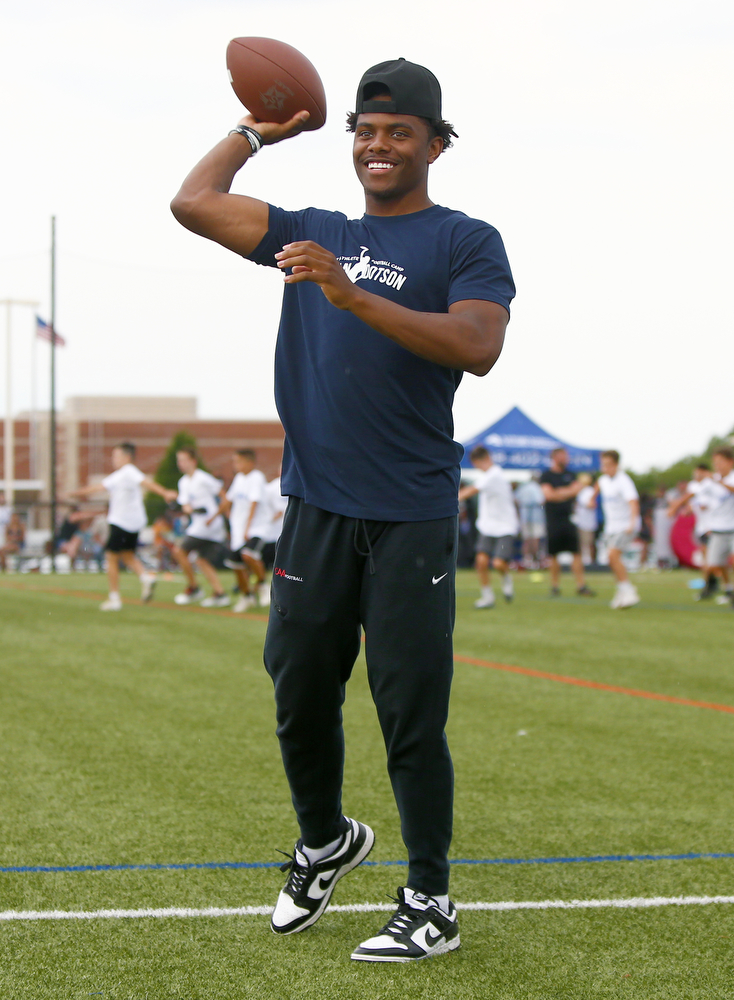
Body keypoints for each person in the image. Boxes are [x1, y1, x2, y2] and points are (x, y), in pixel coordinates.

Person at [171, 56, 514, 961]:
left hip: (409, 512)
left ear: (436, 144)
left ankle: (430, 899)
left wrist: (347, 292)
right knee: (296, 690)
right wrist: (258, 132)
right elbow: (194, 203)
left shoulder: (466, 241)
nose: (377, 145)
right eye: (365, 131)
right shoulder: (309, 228)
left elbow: (476, 347)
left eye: (399, 131)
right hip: (316, 507)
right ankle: (325, 840)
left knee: (409, 710)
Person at [70, 442, 174, 610]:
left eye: (116, 456)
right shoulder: (119, 475)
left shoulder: (129, 472)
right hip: (132, 523)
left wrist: (164, 493)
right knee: (127, 555)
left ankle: (114, 598)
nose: (113, 459)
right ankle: (146, 578)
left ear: (127, 457)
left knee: (111, 557)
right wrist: (77, 493)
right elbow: (99, 487)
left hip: (122, 522)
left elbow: (146, 483)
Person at [670, 449, 734, 607]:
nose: (717, 465)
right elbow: (693, 493)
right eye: (715, 462)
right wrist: (676, 506)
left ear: (730, 462)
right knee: (714, 563)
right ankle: (728, 589)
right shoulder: (710, 480)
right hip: (717, 530)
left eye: (720, 462)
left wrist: (718, 481)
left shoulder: (725, 479)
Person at [458, 446, 518, 608]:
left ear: (479, 461)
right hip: (487, 527)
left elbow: (471, 490)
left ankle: (506, 579)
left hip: (505, 527)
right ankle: (487, 597)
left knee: (498, 563)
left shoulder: (494, 474)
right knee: (481, 562)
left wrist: (451, 499)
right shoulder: (488, 476)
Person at [171, 448, 230, 607]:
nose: (181, 464)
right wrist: (187, 508)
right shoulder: (183, 482)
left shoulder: (204, 478)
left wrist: (214, 516)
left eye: (184, 460)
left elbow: (224, 498)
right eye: (179, 460)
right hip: (198, 526)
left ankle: (194, 588)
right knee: (202, 561)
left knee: (179, 551)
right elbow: (185, 504)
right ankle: (220, 593)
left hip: (208, 527)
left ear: (193, 461)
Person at [218, 449, 271, 612]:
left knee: (248, 554)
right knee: (235, 563)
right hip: (239, 530)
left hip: (257, 528)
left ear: (250, 462)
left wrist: (247, 528)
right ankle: (247, 595)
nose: (235, 465)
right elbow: (229, 499)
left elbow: (254, 504)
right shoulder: (239, 479)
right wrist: (214, 516)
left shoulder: (257, 478)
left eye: (238, 461)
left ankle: (263, 585)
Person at [539, 448, 595, 598]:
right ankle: (555, 586)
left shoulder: (571, 475)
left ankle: (581, 585)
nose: (567, 459)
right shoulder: (546, 475)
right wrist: (569, 491)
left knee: (576, 553)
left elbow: (574, 492)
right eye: (564, 456)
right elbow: (549, 495)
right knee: (554, 554)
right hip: (553, 520)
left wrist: (561, 493)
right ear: (555, 457)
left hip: (570, 519)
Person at [591, 450, 641, 609]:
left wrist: (632, 523)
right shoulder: (603, 480)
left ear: (616, 465)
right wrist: (591, 500)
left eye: (608, 465)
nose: (605, 468)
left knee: (613, 555)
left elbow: (633, 502)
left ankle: (629, 591)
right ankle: (621, 590)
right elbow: (597, 489)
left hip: (624, 526)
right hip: (611, 527)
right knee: (611, 560)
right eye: (603, 464)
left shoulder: (624, 481)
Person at [514, 474, 546, 568]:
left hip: (524, 516)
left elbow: (516, 499)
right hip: (537, 517)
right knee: (535, 538)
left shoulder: (523, 487)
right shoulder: (536, 488)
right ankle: (534, 560)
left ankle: (526, 560)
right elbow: (541, 500)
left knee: (526, 539)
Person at [573, 473, 598, 566]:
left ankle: (588, 562)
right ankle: (588, 561)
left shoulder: (586, 491)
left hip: (586, 522)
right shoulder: (587, 491)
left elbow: (591, 504)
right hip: (585, 521)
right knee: (587, 543)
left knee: (586, 543)